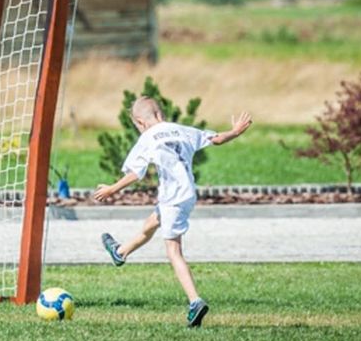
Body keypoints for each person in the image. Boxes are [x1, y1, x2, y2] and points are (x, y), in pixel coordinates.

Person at [92, 96, 253, 327]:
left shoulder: (147, 137)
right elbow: (215, 139)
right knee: (151, 223)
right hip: (187, 193)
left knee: (173, 250)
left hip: (172, 198)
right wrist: (235, 132)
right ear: (161, 114)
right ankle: (121, 252)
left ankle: (195, 301)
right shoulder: (181, 129)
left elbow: (135, 173)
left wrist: (111, 189)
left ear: (140, 122)